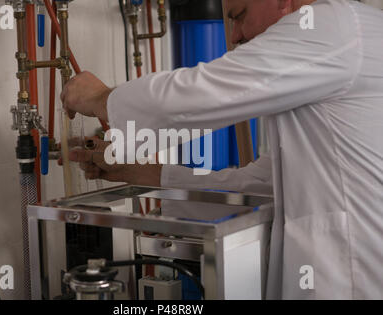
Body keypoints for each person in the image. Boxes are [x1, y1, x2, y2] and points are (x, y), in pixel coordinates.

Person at [60, 0, 383, 299]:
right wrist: (137, 172)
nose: (235, 35)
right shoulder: (344, 45)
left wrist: (103, 99)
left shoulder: (332, 25)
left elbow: (203, 91)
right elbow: (256, 185)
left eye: (239, 16)